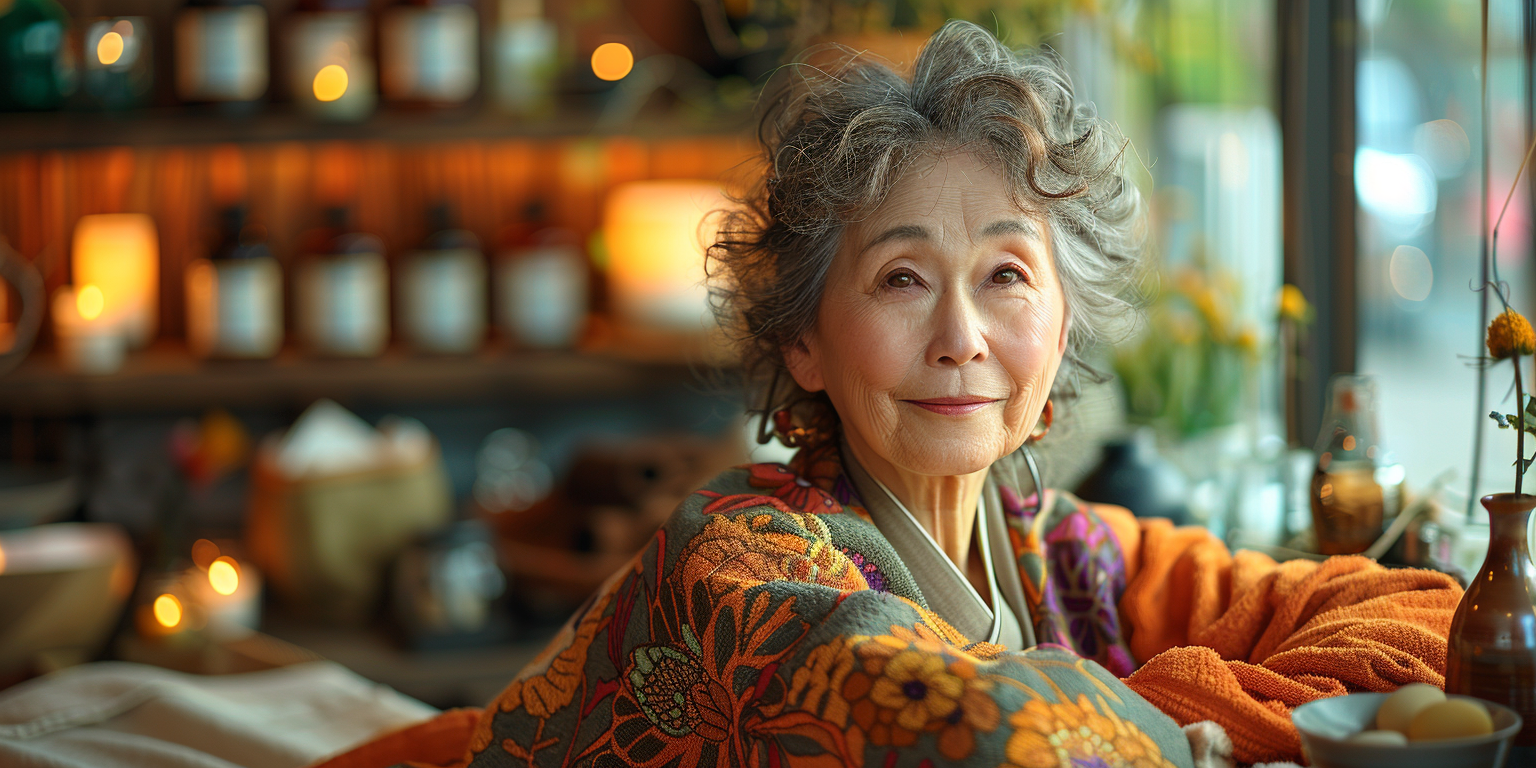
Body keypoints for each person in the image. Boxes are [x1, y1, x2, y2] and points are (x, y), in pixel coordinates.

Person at [336, 20, 1460, 768]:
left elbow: (1424, 615)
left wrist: (1166, 714)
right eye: (902, 279)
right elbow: (992, 737)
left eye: (1008, 276)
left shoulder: (1057, 548)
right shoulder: (744, 563)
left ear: (1063, 321)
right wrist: (1239, 720)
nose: (962, 339)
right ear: (807, 341)